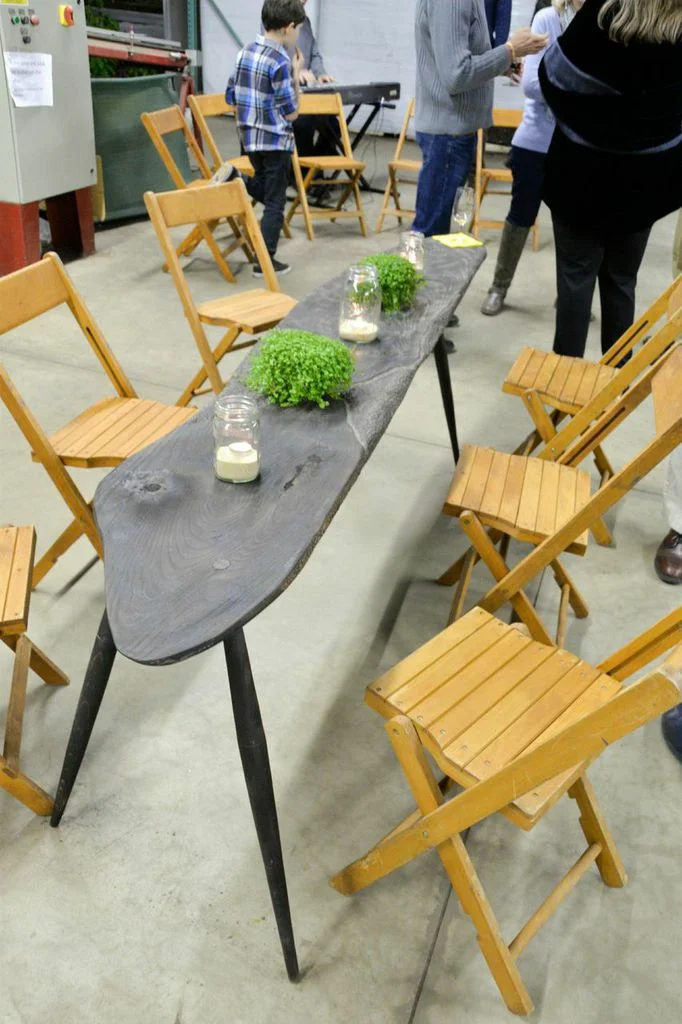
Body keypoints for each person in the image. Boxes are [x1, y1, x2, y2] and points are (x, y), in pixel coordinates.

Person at [538, 0, 682, 358]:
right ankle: (615, 388)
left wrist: (587, 124)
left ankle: (566, 384)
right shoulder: (677, 29)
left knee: (574, 283)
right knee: (622, 284)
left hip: (580, 179)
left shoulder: (602, 15)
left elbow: (553, 75)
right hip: (644, 186)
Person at [413, 0, 548, 240]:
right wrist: (509, 51)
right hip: (448, 136)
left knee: (442, 237)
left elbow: (462, 59)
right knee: (432, 239)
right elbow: (456, 75)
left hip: (454, 133)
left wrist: (503, 62)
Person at [482, 0, 584, 317]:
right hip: (536, 143)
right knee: (520, 216)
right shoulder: (547, 19)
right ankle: (498, 287)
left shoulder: (600, 23)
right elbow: (530, 84)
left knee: (573, 225)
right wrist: (579, 90)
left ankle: (571, 297)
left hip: (576, 146)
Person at [227, 0, 305, 277]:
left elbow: (230, 96)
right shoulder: (281, 62)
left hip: (250, 140)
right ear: (289, 27)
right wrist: (297, 73)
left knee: (267, 190)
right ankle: (265, 261)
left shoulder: (244, 52)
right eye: (298, 30)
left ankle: (236, 179)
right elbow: (292, 112)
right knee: (275, 203)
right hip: (275, 142)